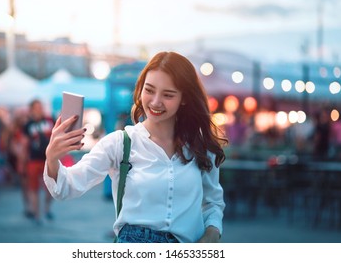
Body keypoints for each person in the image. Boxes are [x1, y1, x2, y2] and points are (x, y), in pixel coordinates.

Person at [44, 51, 228, 243]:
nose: (156, 102)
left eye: (168, 95)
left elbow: (213, 202)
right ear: (140, 89)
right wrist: (52, 157)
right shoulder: (119, 143)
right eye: (149, 90)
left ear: (184, 98)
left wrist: (212, 233)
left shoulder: (201, 147)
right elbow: (65, 187)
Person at [23, 99, 55, 224]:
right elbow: (24, 142)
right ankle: (37, 214)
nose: (39, 109)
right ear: (31, 109)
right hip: (33, 159)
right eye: (36, 107)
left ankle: (47, 209)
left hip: (48, 159)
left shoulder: (49, 120)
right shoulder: (28, 125)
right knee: (34, 188)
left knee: (51, 187)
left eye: (40, 107)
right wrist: (22, 160)